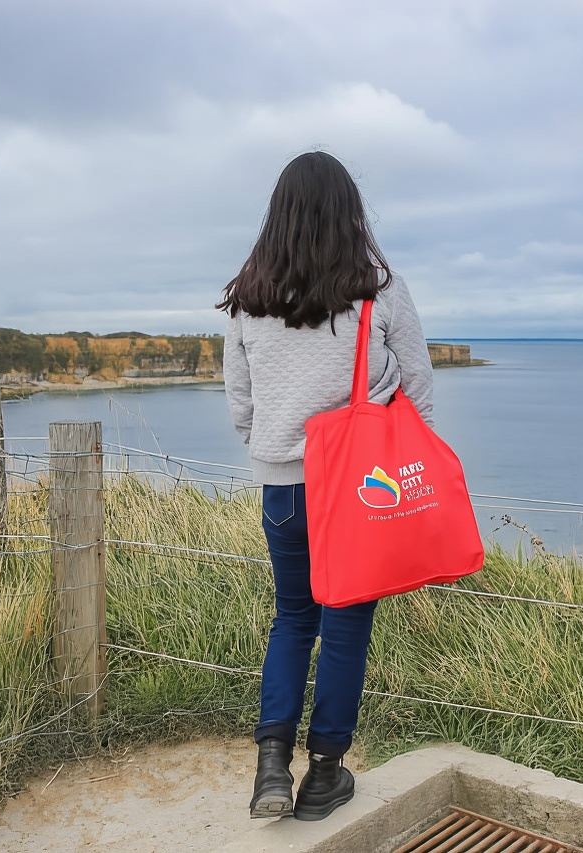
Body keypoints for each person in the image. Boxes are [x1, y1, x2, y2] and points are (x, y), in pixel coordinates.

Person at [219, 151, 434, 821]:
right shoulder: (379, 286)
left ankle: (270, 770)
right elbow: (419, 387)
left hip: (282, 490)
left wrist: (281, 450)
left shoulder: (248, 296)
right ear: (351, 213)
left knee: (292, 619)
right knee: (344, 630)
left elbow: (241, 406)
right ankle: (325, 775)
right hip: (364, 489)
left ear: (278, 215)